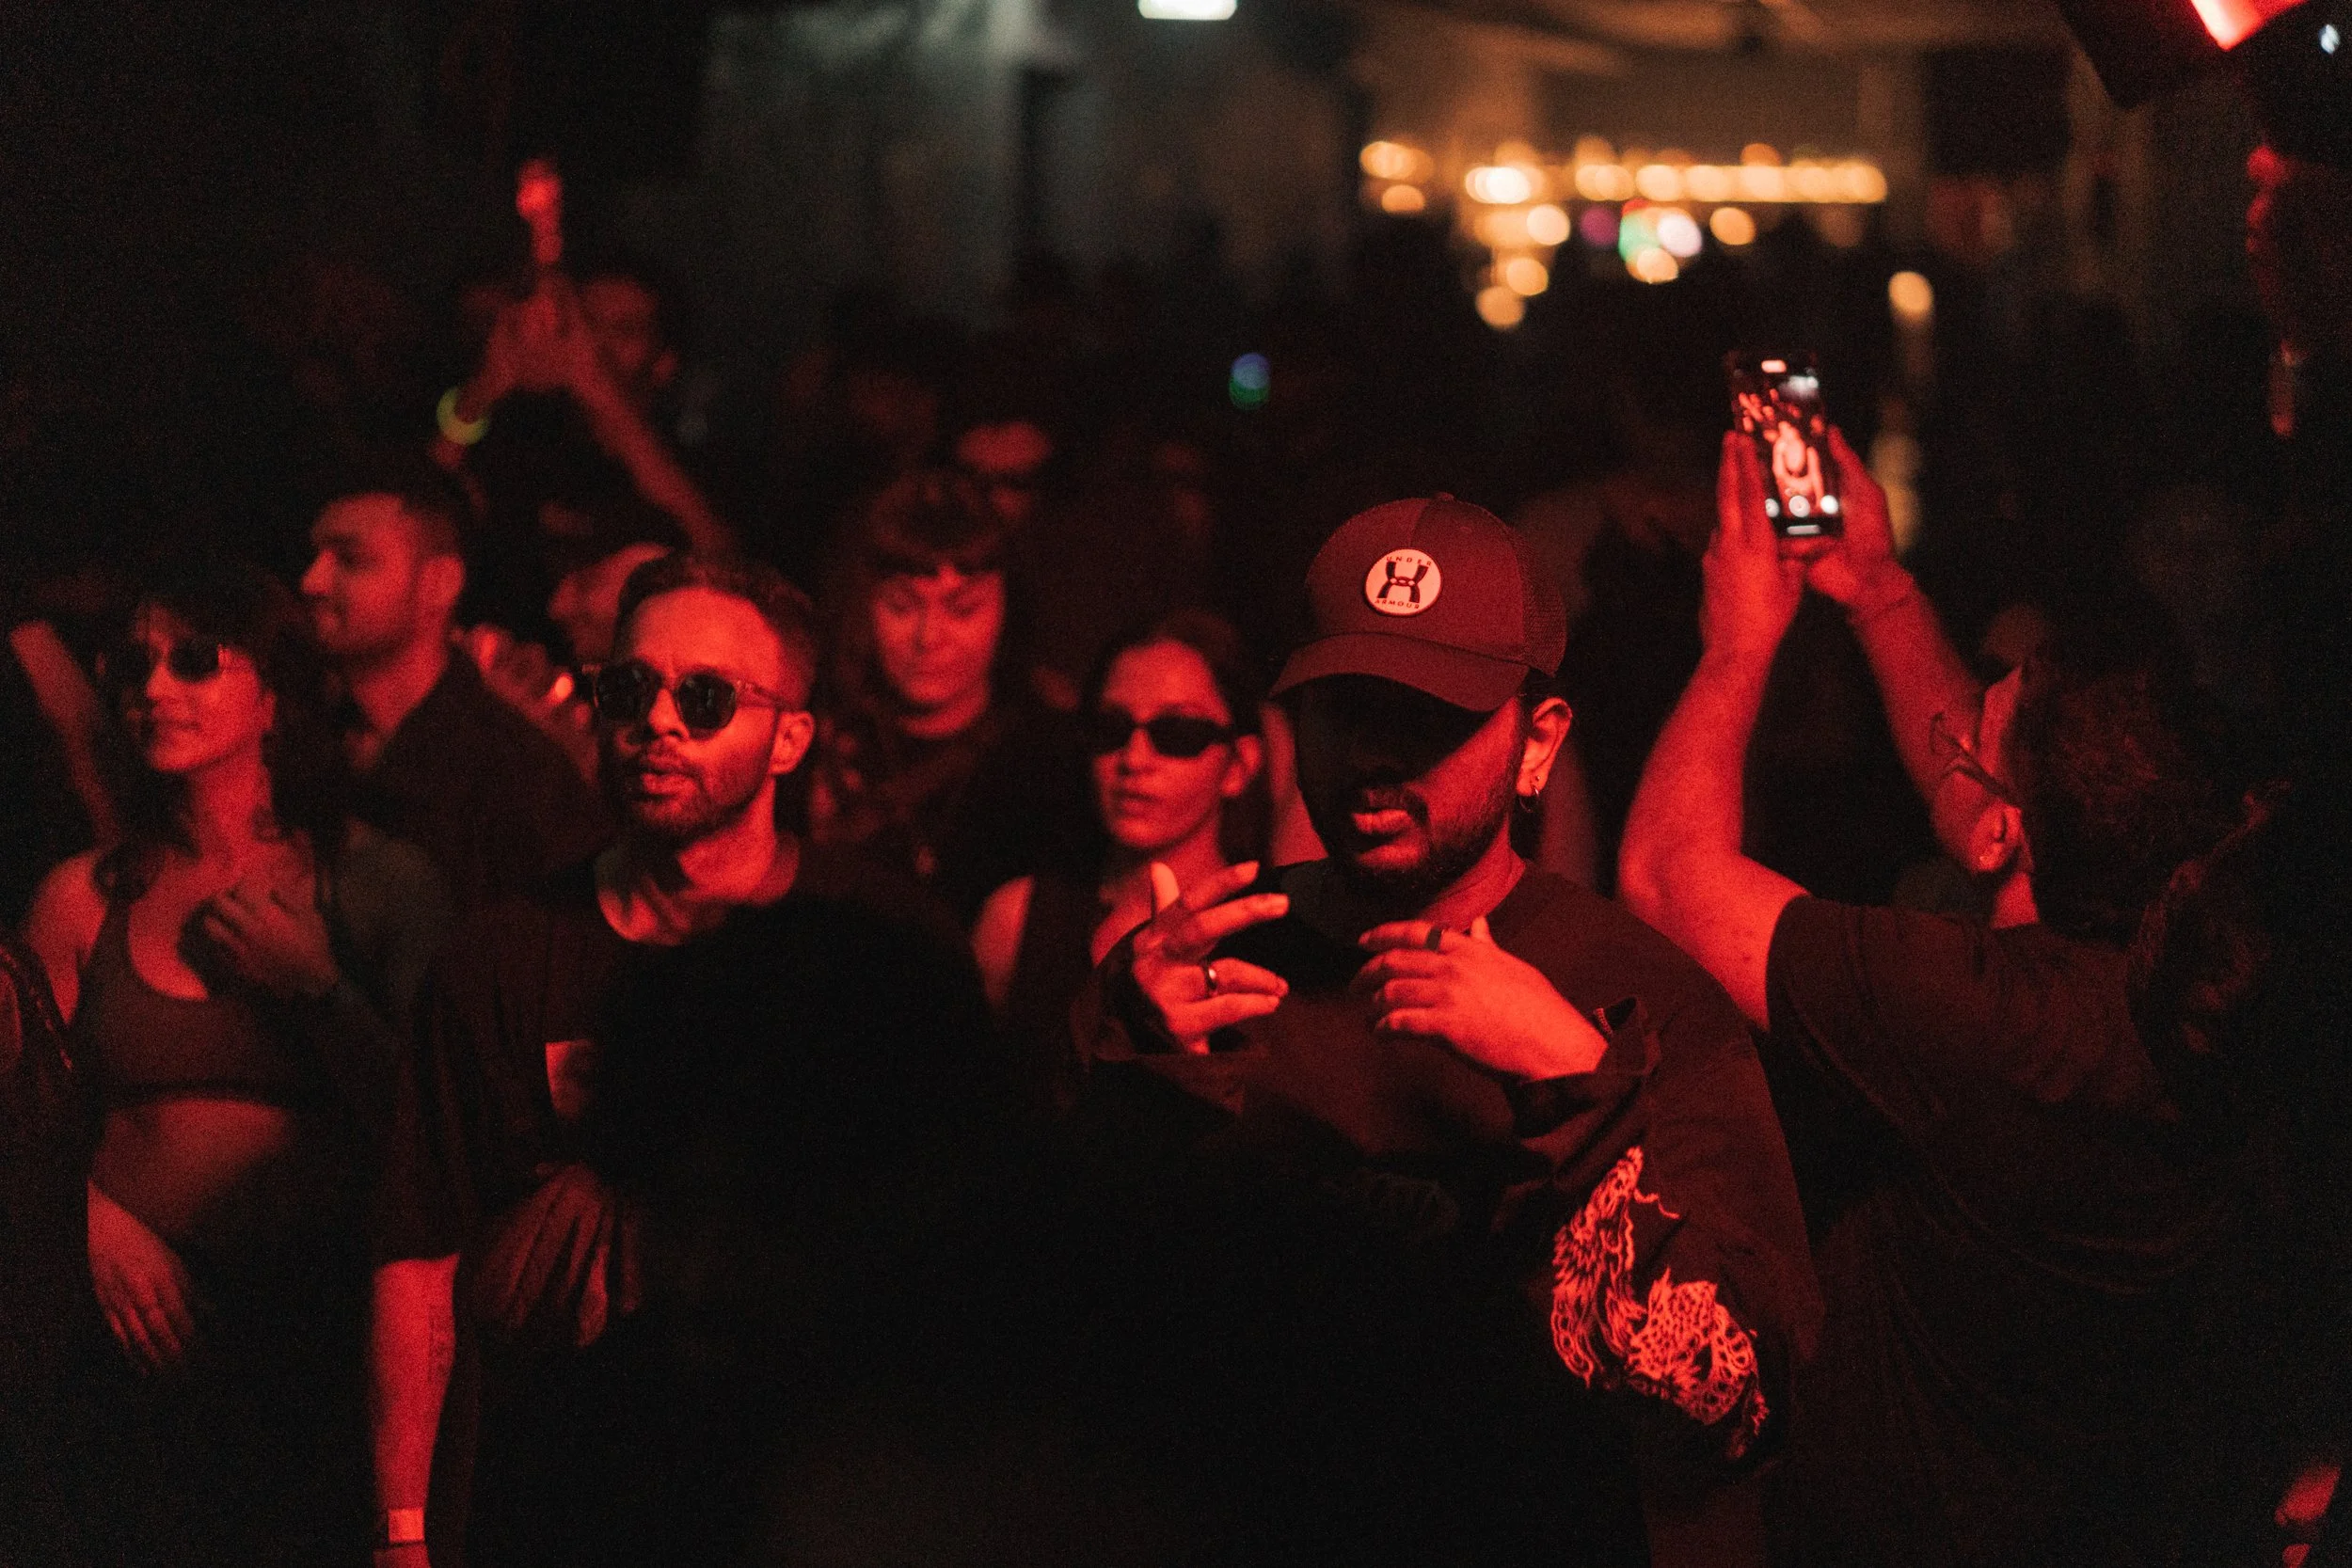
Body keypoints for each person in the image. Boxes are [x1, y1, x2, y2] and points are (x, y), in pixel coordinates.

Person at [1082, 497, 1818, 1567]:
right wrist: (1135, 1069)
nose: (1375, 755)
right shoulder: (1204, 975)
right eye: (1344, 708)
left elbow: (1726, 1400)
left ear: (1538, 741)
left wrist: (1580, 1088)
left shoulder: (1637, 1000)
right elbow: (1070, 1339)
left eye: (1428, 718)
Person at [1619, 429, 2291, 1565]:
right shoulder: (2192, 968)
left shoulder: (1976, 1021)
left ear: (2004, 824)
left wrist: (1738, 642)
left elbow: (1666, 878)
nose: (1955, 730)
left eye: (1978, 725)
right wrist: (1877, 591)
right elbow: (1985, 794)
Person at [368, 552, 979, 1568]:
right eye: (629, 687)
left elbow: (962, 1259)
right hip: (563, 1504)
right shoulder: (499, 956)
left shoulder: (882, 947)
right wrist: (401, 1533)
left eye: (704, 697)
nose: (658, 722)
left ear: (790, 736)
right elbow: (417, 1251)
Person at [23, 562, 445, 1568]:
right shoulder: (84, 895)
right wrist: (88, 1211)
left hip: (313, 1344)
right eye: (134, 665)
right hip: (122, 1341)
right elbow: (17, 1113)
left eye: (196, 661)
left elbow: (444, 1128)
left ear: (275, 697)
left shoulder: (377, 879)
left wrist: (317, 993)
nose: (154, 688)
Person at [973, 609, 1264, 1115]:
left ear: (1238, 765)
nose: (1134, 758)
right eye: (1111, 728)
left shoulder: (1273, 933)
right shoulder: (1017, 919)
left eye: (1177, 733)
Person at [301, 463, 611, 911]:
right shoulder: (301, 732)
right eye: (314, 558)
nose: (310, 582)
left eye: (351, 559)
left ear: (438, 584)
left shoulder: (516, 781)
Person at [807, 469, 1090, 922]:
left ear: (1008, 609)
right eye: (901, 606)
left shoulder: (1053, 756)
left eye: (963, 610)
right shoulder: (817, 744)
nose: (929, 636)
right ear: (863, 606)